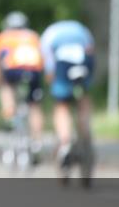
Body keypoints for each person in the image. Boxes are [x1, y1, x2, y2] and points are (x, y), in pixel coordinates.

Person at [0, 11, 45, 163]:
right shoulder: (34, 37)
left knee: (6, 87)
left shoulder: (2, 38)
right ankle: (36, 141)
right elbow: (44, 58)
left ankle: (9, 113)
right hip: (33, 72)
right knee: (34, 106)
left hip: (13, 71)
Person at [39, 20, 96, 181]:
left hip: (63, 64)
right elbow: (91, 51)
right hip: (83, 62)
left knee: (62, 105)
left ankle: (65, 144)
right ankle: (85, 127)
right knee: (83, 98)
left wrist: (51, 79)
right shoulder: (82, 30)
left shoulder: (49, 34)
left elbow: (48, 61)